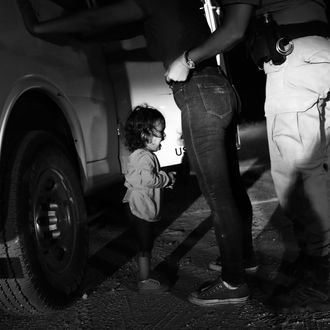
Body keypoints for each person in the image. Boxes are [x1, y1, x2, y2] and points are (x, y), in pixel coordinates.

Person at [17, 0, 256, 306]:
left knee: (217, 193)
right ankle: (244, 258)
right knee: (231, 187)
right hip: (219, 89)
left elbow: (94, 19)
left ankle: (233, 281)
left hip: (198, 93)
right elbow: (111, 30)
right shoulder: (177, 10)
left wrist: (39, 26)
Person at [166, 0, 330, 308]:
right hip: (321, 53)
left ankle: (321, 274)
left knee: (298, 174)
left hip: (295, 60)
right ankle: (316, 259)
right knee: (319, 168)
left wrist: (187, 60)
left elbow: (234, 30)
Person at [123, 104, 176, 293]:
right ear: (145, 134)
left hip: (136, 205)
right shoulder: (144, 157)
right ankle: (145, 281)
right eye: (160, 132)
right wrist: (166, 178)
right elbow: (148, 179)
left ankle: (146, 277)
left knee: (145, 243)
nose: (163, 136)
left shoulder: (140, 155)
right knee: (145, 244)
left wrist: (164, 180)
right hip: (140, 207)